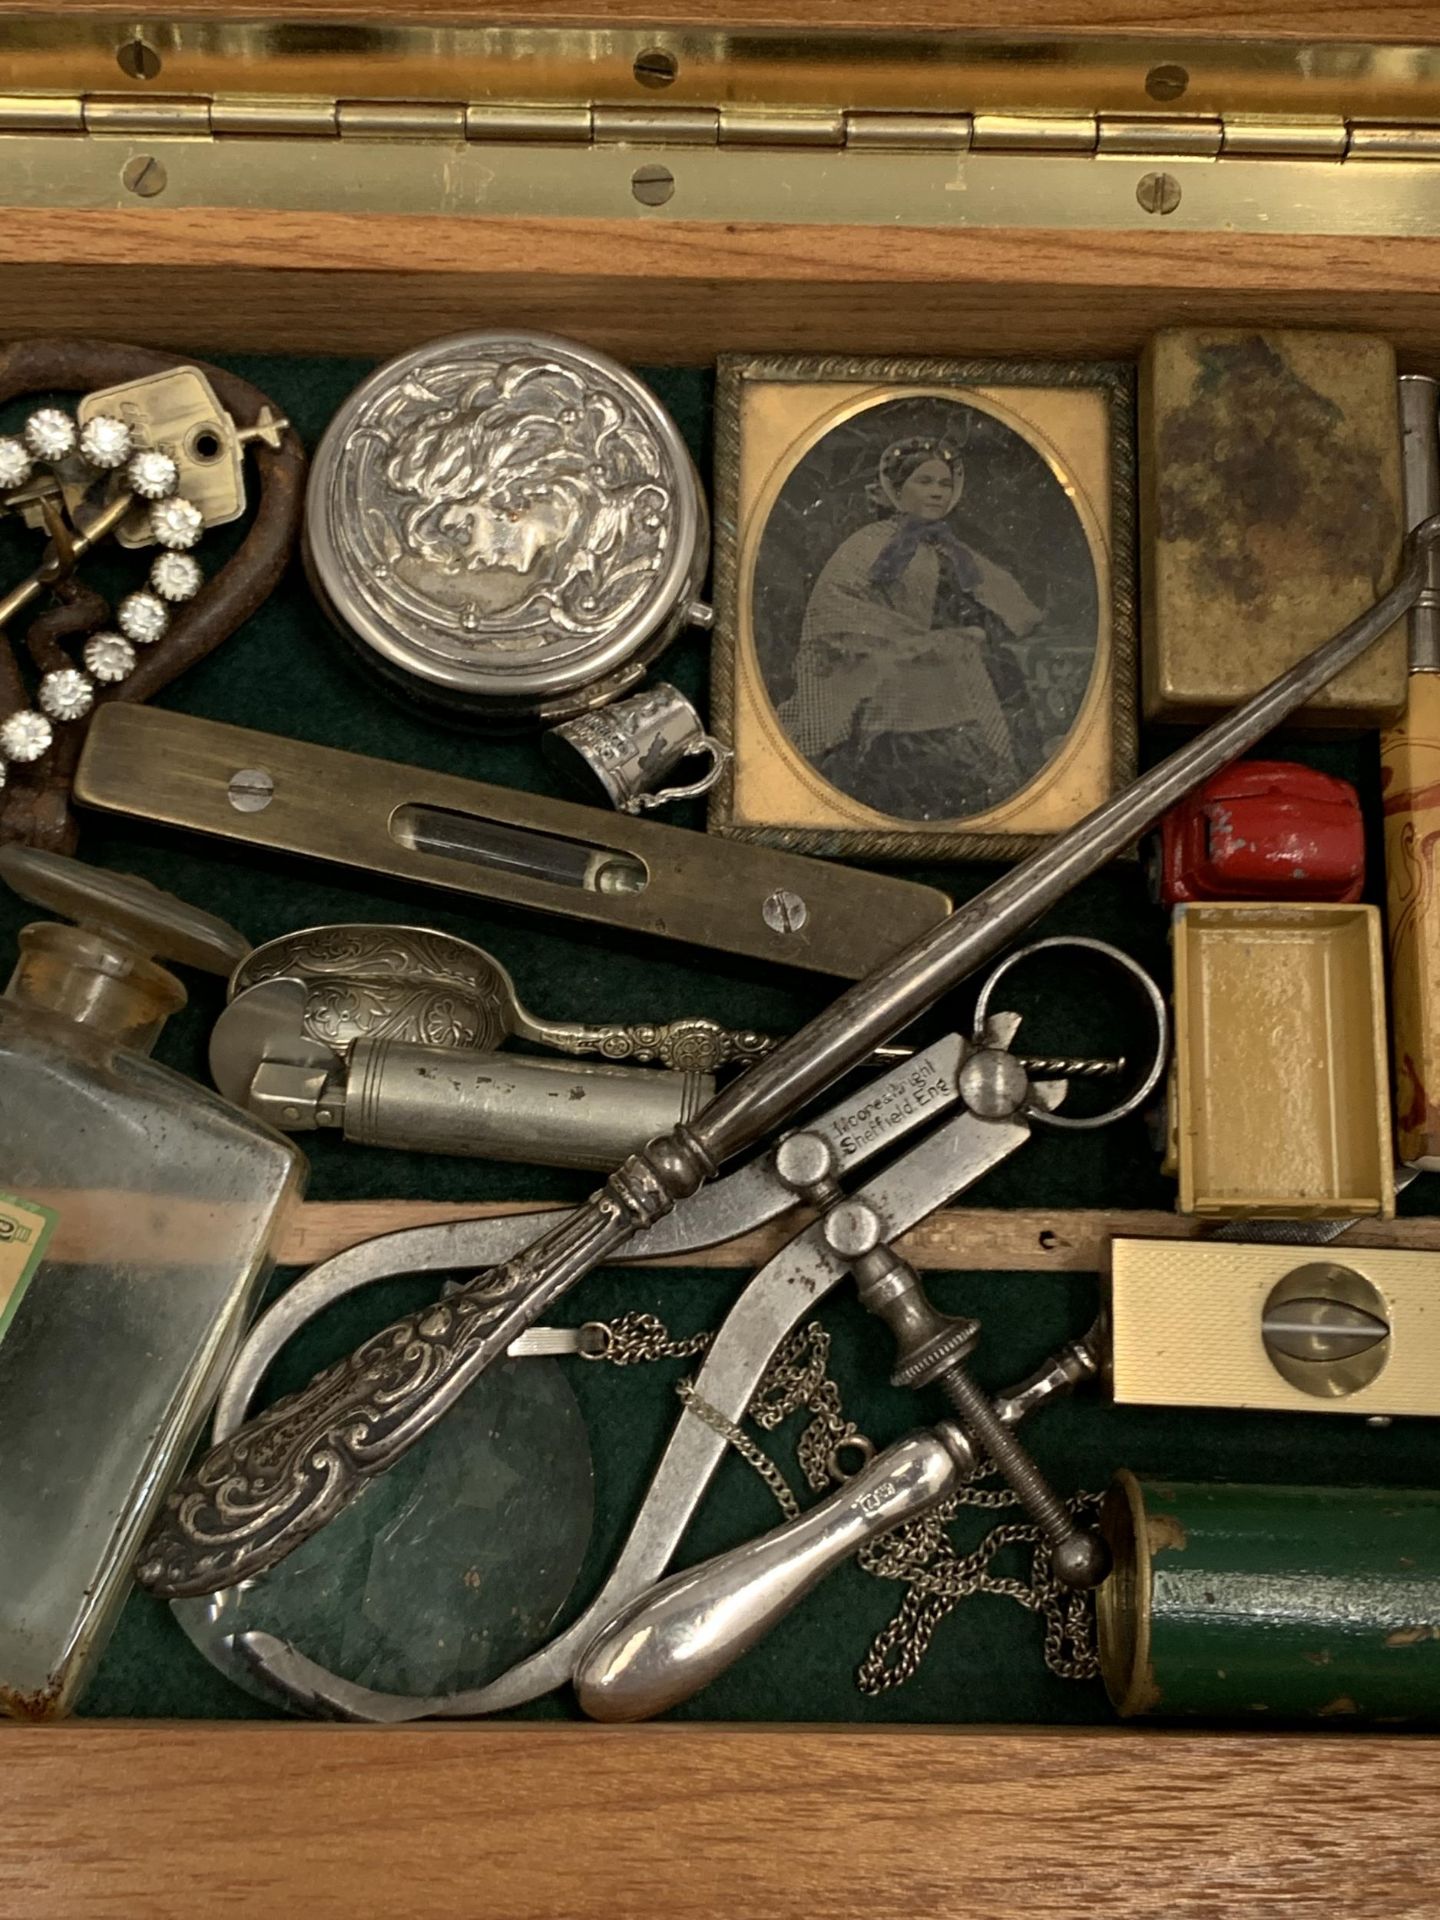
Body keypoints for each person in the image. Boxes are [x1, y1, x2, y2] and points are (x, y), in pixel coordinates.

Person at [777, 435, 1045, 820]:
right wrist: (908, 641)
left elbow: (998, 596)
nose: (937, 492)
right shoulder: (870, 544)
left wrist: (1008, 623)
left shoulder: (951, 547)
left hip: (953, 652)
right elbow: (836, 607)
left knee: (998, 679)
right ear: (897, 490)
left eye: (944, 484)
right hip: (878, 657)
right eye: (925, 481)